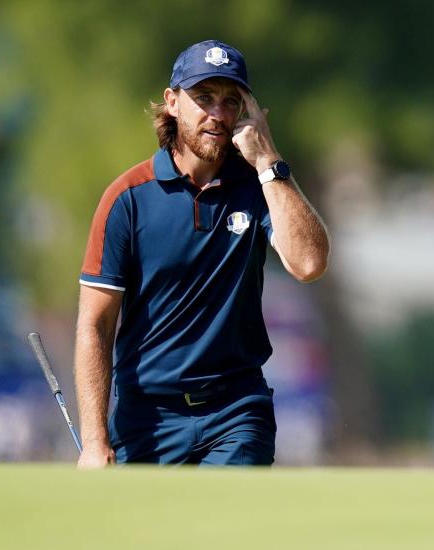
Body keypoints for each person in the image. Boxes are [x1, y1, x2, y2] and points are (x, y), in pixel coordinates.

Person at [75, 40, 329, 467]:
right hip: (147, 417)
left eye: (231, 101)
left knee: (227, 530)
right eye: (204, 98)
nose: (218, 114)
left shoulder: (261, 186)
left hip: (236, 411)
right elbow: (95, 325)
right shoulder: (127, 198)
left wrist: (268, 160)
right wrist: (95, 439)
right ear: (173, 102)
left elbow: (309, 264)